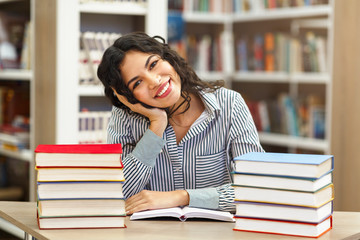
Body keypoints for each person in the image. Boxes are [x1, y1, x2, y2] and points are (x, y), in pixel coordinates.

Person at [97, 32, 264, 214]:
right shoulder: (125, 117)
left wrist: (182, 196)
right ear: (129, 97)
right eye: (137, 83)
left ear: (168, 59)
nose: (154, 81)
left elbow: (256, 190)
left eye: (153, 64)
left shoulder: (230, 104)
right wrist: (156, 125)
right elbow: (117, 195)